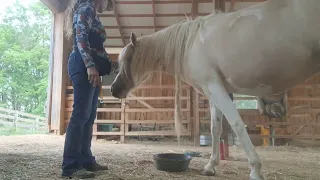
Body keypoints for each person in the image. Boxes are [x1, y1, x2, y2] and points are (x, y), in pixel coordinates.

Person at [62, 0, 117, 178]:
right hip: (82, 65)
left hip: (90, 67)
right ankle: (70, 166)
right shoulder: (86, 9)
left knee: (89, 116)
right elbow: (81, 38)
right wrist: (90, 66)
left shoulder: (91, 12)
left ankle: (86, 160)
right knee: (80, 116)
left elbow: (94, 45)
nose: (107, 4)